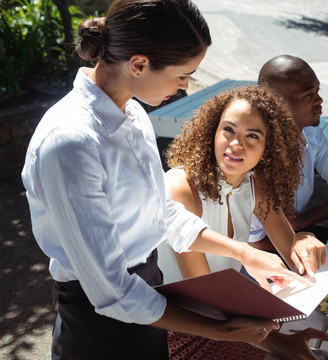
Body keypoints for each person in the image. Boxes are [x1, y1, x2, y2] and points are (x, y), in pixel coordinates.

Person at [20, 1, 310, 358]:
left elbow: (162, 213)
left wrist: (246, 253)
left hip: (151, 296)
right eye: (183, 74)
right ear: (139, 64)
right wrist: (219, 331)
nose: (186, 86)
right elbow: (113, 292)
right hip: (98, 326)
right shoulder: (70, 143)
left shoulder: (134, 113)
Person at [164, 85, 328, 359]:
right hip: (184, 326)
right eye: (228, 130)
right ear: (213, 133)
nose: (236, 144)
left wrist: (305, 239)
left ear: (268, 149)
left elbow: (293, 257)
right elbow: (205, 294)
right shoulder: (182, 187)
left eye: (252, 136)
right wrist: (274, 337)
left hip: (232, 316)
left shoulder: (255, 184)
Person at [249, 55, 328, 250]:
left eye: (317, 91)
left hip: (296, 236)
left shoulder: (310, 132)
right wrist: (300, 234)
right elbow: (253, 244)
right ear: (276, 103)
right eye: (309, 94)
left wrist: (303, 221)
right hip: (256, 259)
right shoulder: (252, 152)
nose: (319, 100)